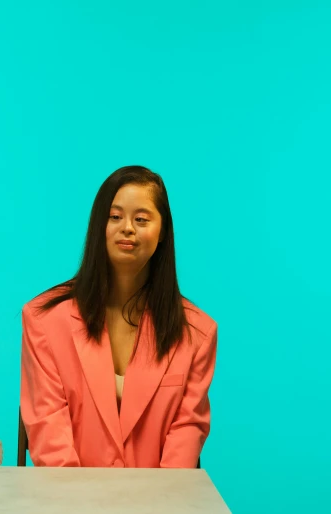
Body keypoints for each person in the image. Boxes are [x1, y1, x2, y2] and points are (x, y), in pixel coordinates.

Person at [20, 166, 217, 468]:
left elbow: (185, 439)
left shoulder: (197, 332)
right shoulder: (44, 320)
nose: (127, 228)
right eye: (115, 217)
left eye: (141, 219)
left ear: (163, 230)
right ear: (99, 225)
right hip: (67, 503)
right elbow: (50, 436)